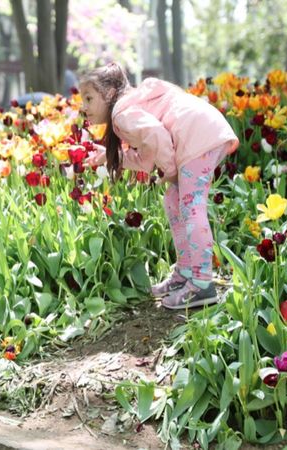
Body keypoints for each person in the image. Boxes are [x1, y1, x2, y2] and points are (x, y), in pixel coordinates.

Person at [81, 62, 238, 310]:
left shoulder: (121, 113)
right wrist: (111, 157)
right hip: (203, 130)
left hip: (196, 137)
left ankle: (201, 284)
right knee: (173, 202)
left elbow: (157, 135)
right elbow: (147, 156)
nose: (84, 107)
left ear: (109, 94)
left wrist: (171, 171)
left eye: (89, 98)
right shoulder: (133, 104)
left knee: (191, 206)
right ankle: (185, 273)